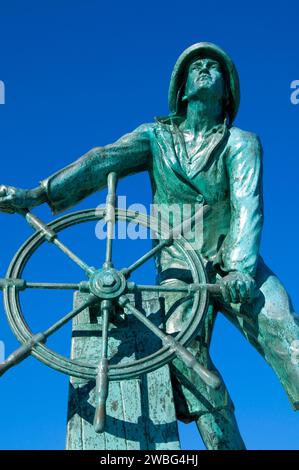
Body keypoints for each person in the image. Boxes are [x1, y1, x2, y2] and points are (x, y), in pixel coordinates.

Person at [0, 42, 298, 450]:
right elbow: (101, 160)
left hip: (237, 262)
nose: (206, 68)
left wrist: (241, 271)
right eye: (197, 66)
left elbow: (248, 206)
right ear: (182, 90)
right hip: (178, 266)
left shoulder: (241, 142)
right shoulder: (155, 137)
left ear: (227, 92)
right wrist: (37, 195)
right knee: (184, 358)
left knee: (287, 334)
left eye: (216, 66)